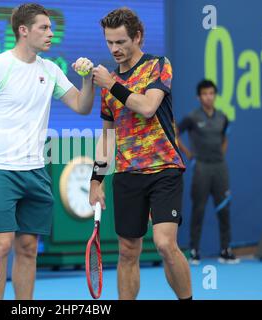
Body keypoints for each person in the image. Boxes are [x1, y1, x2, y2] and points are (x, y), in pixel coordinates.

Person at [0, 3, 95, 299]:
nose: (51, 33)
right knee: (1, 246)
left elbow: (81, 106)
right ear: (23, 31)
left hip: (36, 171)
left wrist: (87, 80)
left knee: (28, 248)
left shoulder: (51, 70)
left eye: (51, 28)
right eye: (45, 28)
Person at [89, 7, 192, 300]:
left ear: (138, 36)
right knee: (127, 250)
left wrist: (112, 84)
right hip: (126, 173)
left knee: (164, 244)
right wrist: (96, 180)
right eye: (110, 42)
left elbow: (148, 108)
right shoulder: (107, 85)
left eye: (121, 42)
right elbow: (107, 135)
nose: (114, 49)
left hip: (165, 169)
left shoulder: (158, 65)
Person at [177, 79, 240, 265]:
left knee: (224, 209)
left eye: (211, 93)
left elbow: (225, 137)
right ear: (199, 97)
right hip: (201, 167)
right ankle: (195, 251)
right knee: (199, 209)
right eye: (205, 94)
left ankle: (225, 250)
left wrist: (221, 153)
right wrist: (189, 154)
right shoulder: (192, 117)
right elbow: (175, 132)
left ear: (215, 95)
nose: (208, 97)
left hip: (220, 168)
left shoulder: (223, 117)